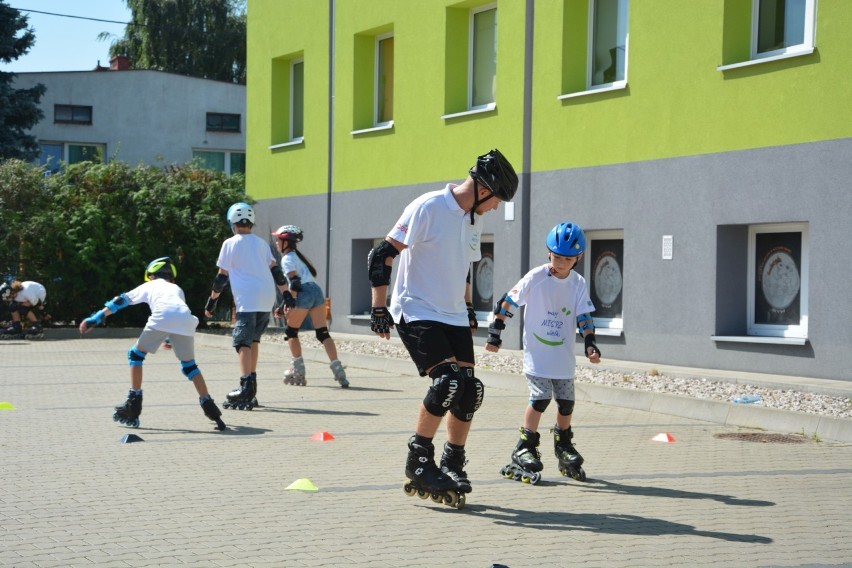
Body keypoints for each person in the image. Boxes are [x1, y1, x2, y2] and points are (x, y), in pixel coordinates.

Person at [368, 148, 518, 508]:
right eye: (497, 200)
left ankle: (453, 461)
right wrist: (378, 309)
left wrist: (467, 309)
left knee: (469, 390)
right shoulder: (429, 207)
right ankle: (419, 461)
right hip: (416, 309)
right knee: (447, 381)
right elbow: (381, 255)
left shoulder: (472, 218)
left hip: (451, 314)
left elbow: (463, 267)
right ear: (483, 189)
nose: (496, 208)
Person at [486, 221, 601, 484]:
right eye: (557, 256)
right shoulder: (535, 277)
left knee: (566, 402)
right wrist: (496, 332)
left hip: (563, 356)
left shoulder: (578, 283)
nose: (561, 263)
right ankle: (524, 446)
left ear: (578, 258)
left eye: (568, 259)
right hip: (537, 354)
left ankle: (563, 446)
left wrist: (590, 343)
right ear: (548, 252)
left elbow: (584, 315)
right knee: (540, 399)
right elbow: (507, 301)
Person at [79, 257, 226, 431]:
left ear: (150, 275)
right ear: (171, 276)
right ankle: (210, 408)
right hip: (186, 321)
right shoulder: (177, 288)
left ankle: (133, 405)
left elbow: (121, 300)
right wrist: (170, 339)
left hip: (162, 318)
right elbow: (177, 314)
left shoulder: (151, 284)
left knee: (135, 355)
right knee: (189, 366)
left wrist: (96, 318)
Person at [205, 202, 288, 410]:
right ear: (251, 222)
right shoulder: (261, 243)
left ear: (232, 223)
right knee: (253, 340)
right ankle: (251, 390)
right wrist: (286, 294)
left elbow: (221, 278)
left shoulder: (230, 243)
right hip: (266, 297)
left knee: (242, 343)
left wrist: (212, 300)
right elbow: (276, 271)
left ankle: (245, 389)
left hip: (248, 299)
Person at [271, 225, 349, 388]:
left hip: (303, 292)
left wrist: (288, 304)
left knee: (291, 332)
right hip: (316, 290)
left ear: (286, 242)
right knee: (322, 333)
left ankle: (298, 372)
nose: (276, 243)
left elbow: (295, 283)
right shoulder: (298, 257)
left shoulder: (286, 259)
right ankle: (339, 371)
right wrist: (285, 303)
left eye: (278, 240)